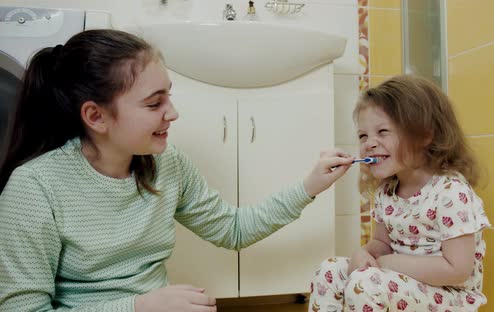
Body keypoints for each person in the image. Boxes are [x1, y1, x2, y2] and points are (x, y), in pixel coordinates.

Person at [0, 29, 354, 312]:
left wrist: (310, 186)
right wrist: (138, 307)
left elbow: (233, 230)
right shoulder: (35, 188)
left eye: (169, 96)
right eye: (155, 103)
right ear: (96, 116)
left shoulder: (168, 166)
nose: (173, 113)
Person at [308, 75, 491, 312]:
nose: (369, 143)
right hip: (403, 285)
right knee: (330, 269)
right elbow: (382, 243)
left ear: (425, 135)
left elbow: (457, 270)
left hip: (450, 296)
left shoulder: (451, 193)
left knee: (365, 284)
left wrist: (388, 264)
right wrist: (362, 254)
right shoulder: (387, 191)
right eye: (363, 135)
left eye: (383, 131)